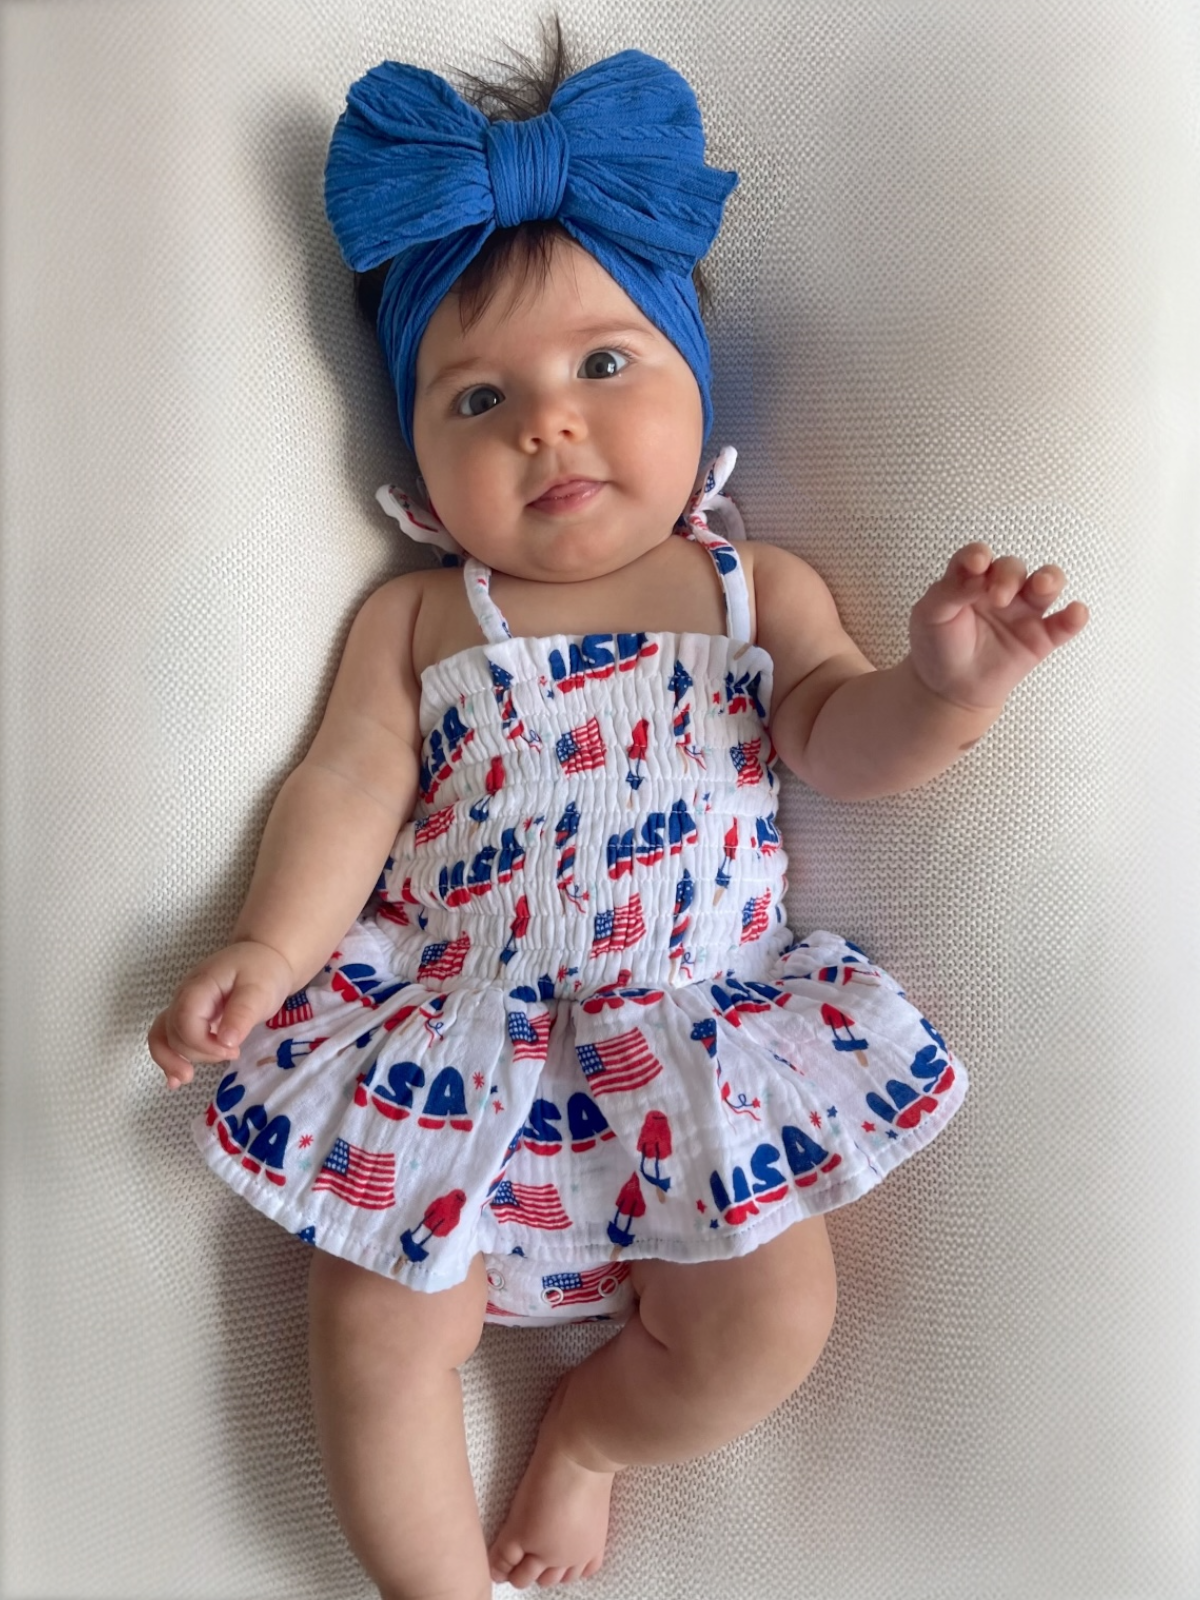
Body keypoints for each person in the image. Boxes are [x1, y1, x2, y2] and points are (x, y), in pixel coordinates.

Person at [148, 26, 1089, 1600]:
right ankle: (431, 1584)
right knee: (375, 1315)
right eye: (477, 397)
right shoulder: (422, 622)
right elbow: (347, 787)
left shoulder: (749, 590)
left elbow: (836, 741)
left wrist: (943, 691)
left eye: (605, 365)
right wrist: (266, 940)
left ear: (690, 380)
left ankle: (589, 1434)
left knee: (777, 1318)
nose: (549, 425)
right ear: (417, 460)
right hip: (453, 1047)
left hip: (698, 1042)